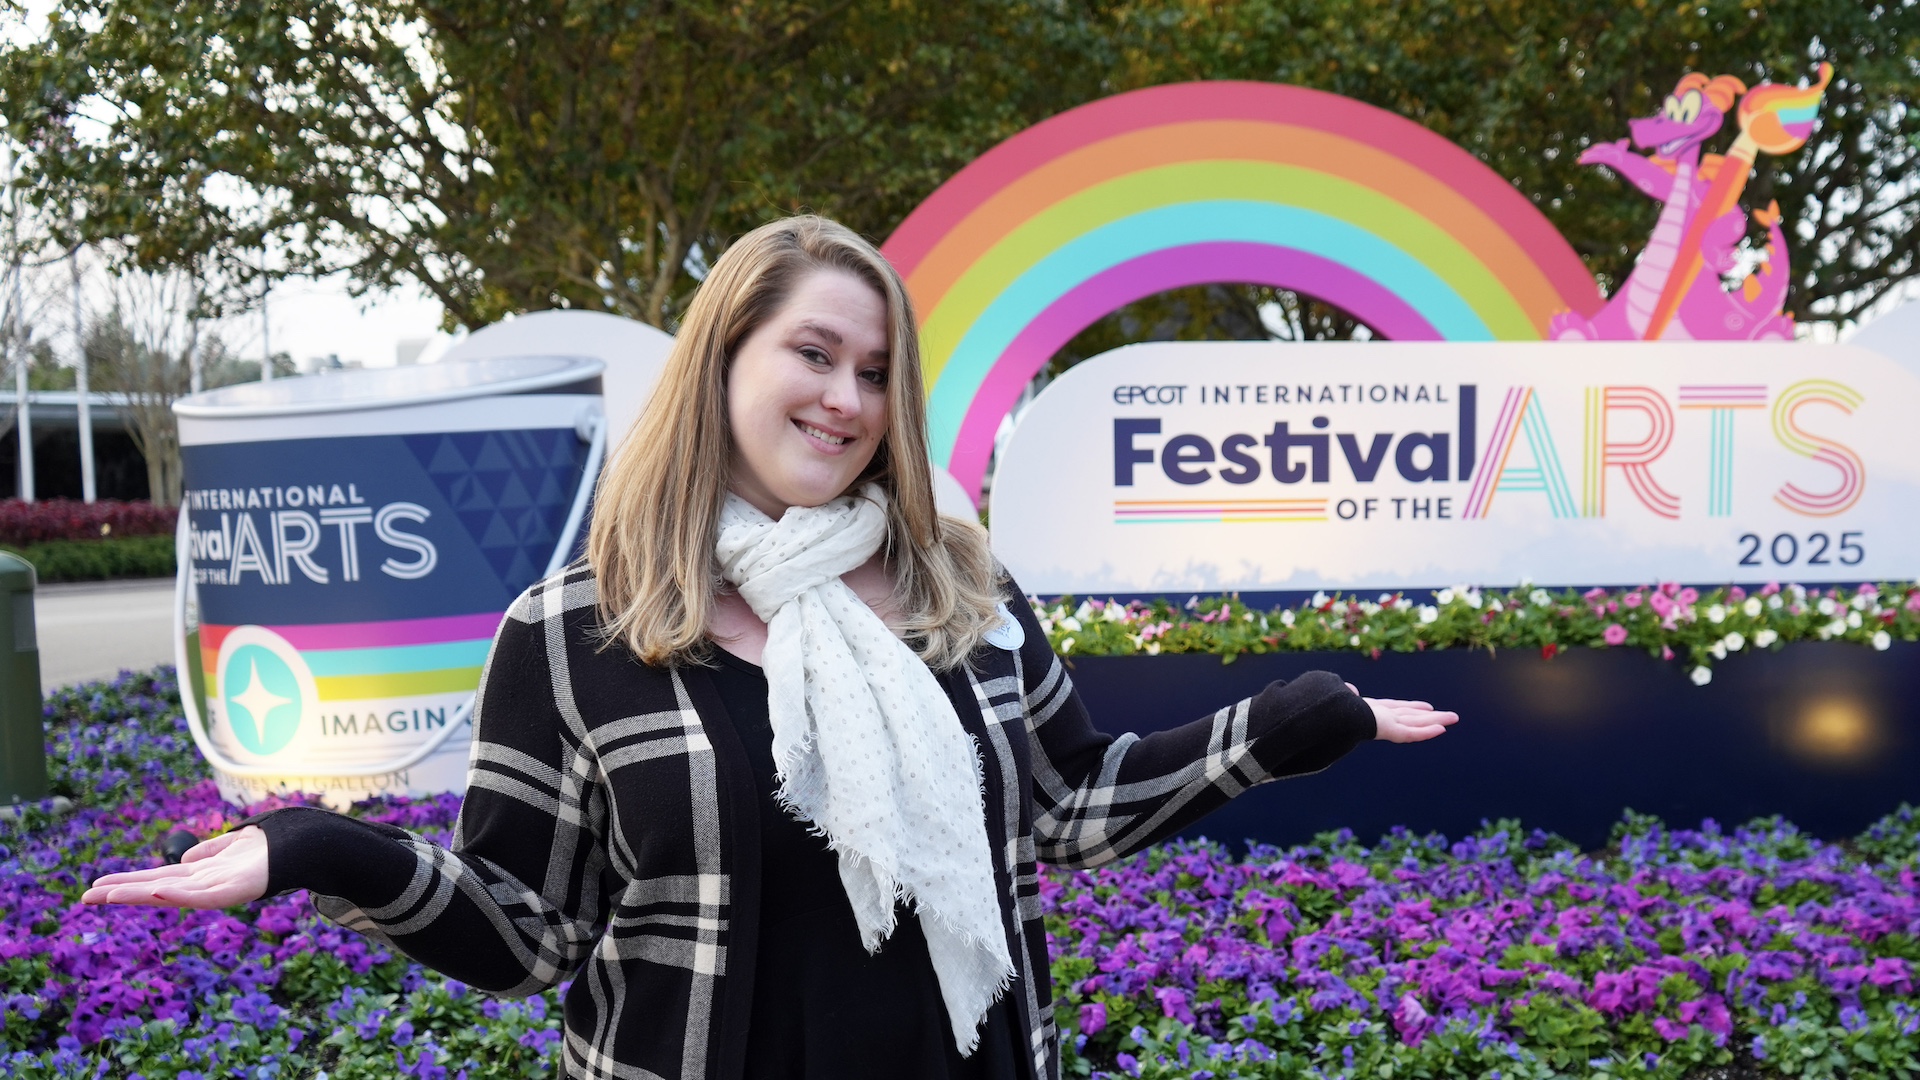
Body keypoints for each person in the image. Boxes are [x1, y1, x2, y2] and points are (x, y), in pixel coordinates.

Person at [83, 215, 1458, 1080]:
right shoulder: (575, 633)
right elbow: (528, 931)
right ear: (726, 357)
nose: (849, 398)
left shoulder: (960, 594)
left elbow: (1066, 807)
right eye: (816, 355)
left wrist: (1293, 725)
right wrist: (314, 848)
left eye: (876, 373)